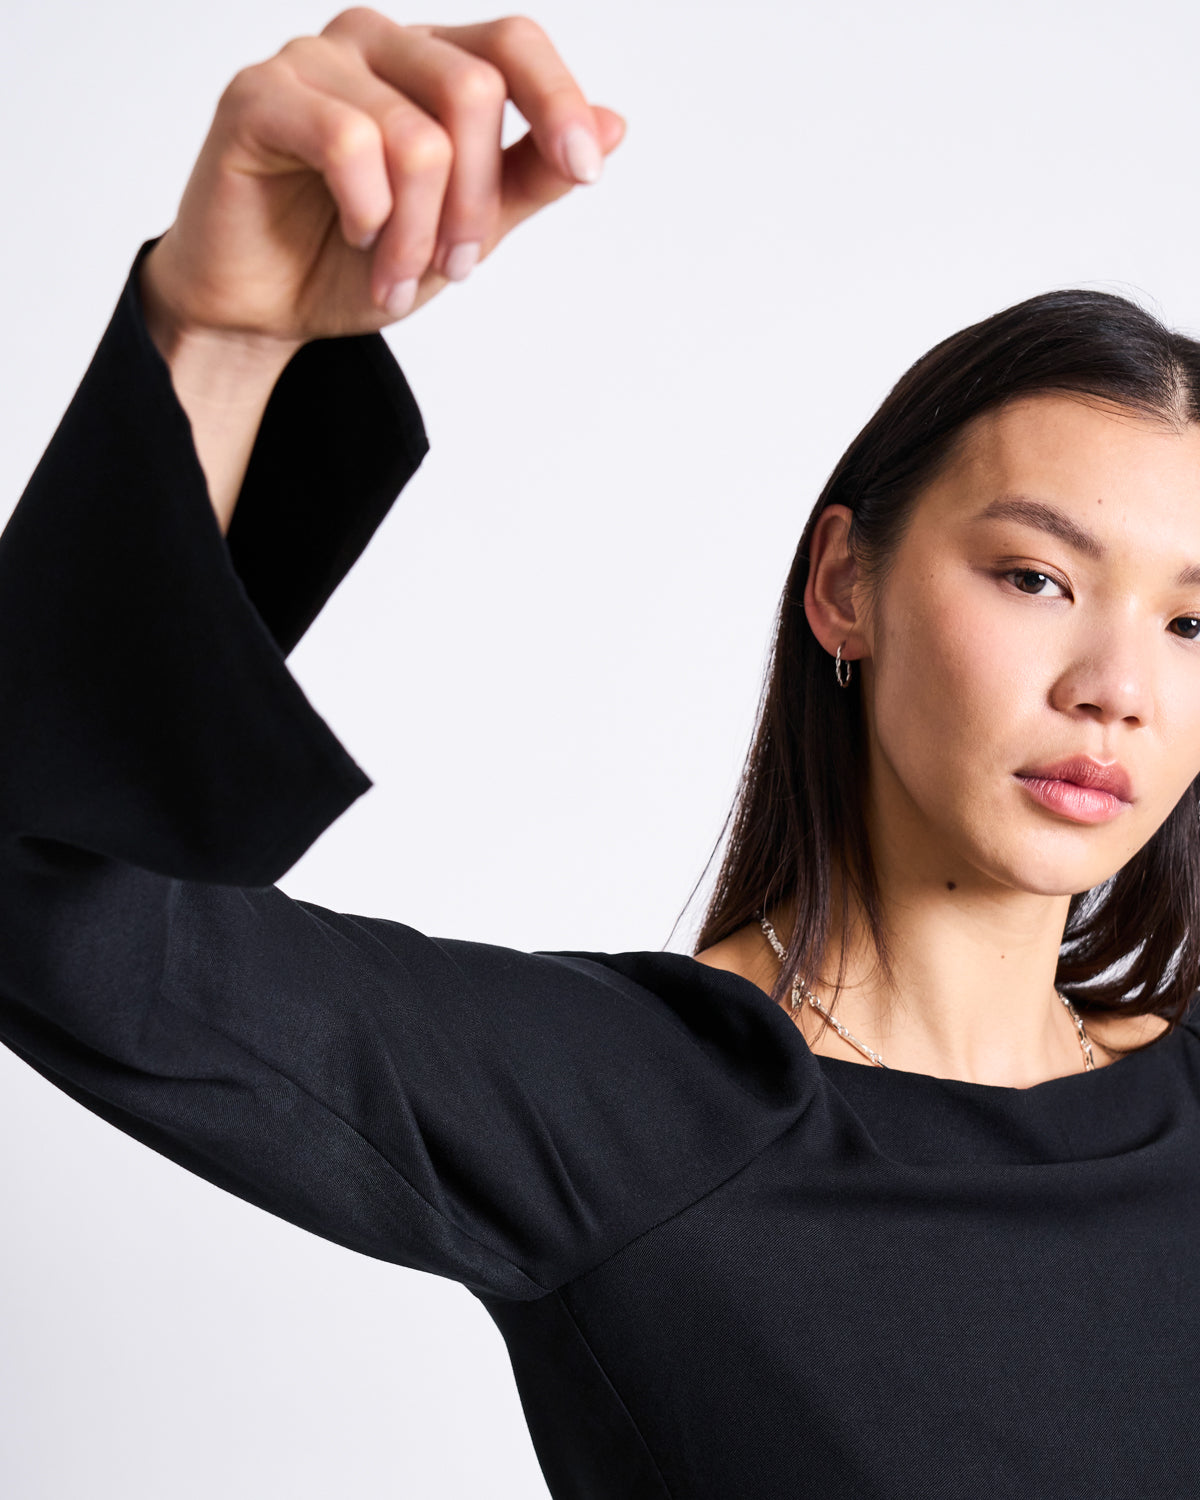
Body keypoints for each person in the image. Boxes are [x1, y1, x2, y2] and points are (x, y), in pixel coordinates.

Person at [4, 8, 1200, 1497]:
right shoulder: (639, 1114)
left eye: (1193, 625)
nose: (1118, 689)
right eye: (1036, 577)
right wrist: (221, 337)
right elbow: (66, 927)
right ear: (846, 587)